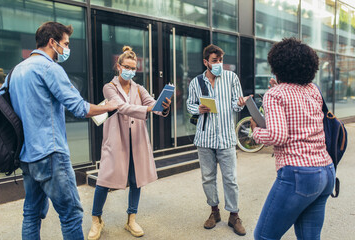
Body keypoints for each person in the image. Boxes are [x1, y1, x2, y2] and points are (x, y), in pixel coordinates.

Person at [2, 21, 118, 240]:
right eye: (65, 43)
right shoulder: (50, 68)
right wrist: (108, 106)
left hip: (27, 156)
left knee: (31, 214)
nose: (67, 48)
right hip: (51, 154)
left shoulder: (15, 71)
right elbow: (79, 108)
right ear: (52, 42)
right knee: (71, 215)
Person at [251, 38, 335, 240]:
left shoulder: (275, 95)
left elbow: (277, 136)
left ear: (277, 65)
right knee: (310, 237)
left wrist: (255, 131)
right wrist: (279, 86)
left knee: (264, 236)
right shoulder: (313, 90)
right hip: (326, 171)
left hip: (298, 174)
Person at [87, 46, 171, 240]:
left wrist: (162, 106)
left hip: (137, 140)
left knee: (136, 180)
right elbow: (122, 107)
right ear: (118, 66)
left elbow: (153, 105)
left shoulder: (139, 88)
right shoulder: (109, 87)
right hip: (116, 141)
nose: (131, 71)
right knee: (104, 180)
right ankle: (96, 220)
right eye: (127, 67)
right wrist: (149, 108)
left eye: (134, 68)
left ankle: (131, 219)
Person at [186, 44, 249, 236]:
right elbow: (190, 104)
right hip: (205, 138)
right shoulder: (196, 82)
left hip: (226, 137)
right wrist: (199, 109)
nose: (219, 64)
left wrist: (239, 104)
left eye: (221, 60)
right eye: (215, 61)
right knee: (208, 178)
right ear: (206, 62)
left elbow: (235, 105)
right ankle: (214, 212)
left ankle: (234, 215)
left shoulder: (231, 78)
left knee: (230, 179)